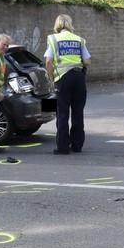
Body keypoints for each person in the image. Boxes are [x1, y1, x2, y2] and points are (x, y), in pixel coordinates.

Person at [45, 14, 91, 154]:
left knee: (62, 113)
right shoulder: (79, 40)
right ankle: (77, 146)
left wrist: (52, 80)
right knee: (78, 112)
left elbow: (48, 61)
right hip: (79, 78)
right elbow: (87, 61)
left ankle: (63, 147)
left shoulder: (53, 39)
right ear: (70, 24)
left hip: (62, 80)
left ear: (57, 24)